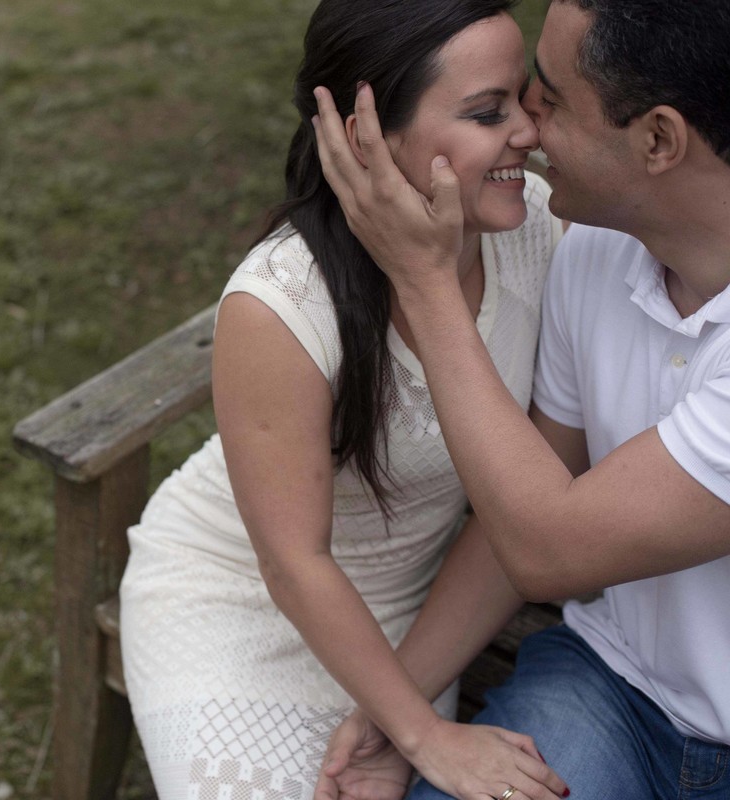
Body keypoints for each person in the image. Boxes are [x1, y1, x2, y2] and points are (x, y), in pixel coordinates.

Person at [117, 1, 572, 798]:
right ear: (366, 135)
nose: (528, 134)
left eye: (523, 99)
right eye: (486, 112)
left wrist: (401, 712)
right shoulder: (281, 304)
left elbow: (524, 521)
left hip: (414, 619)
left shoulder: (542, 232)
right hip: (239, 596)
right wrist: (424, 733)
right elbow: (293, 562)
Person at [312, 0, 730, 797]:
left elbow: (550, 550)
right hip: (614, 685)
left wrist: (424, 282)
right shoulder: (599, 249)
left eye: (552, 99)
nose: (529, 130)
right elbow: (528, 507)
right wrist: (397, 719)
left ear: (659, 140)